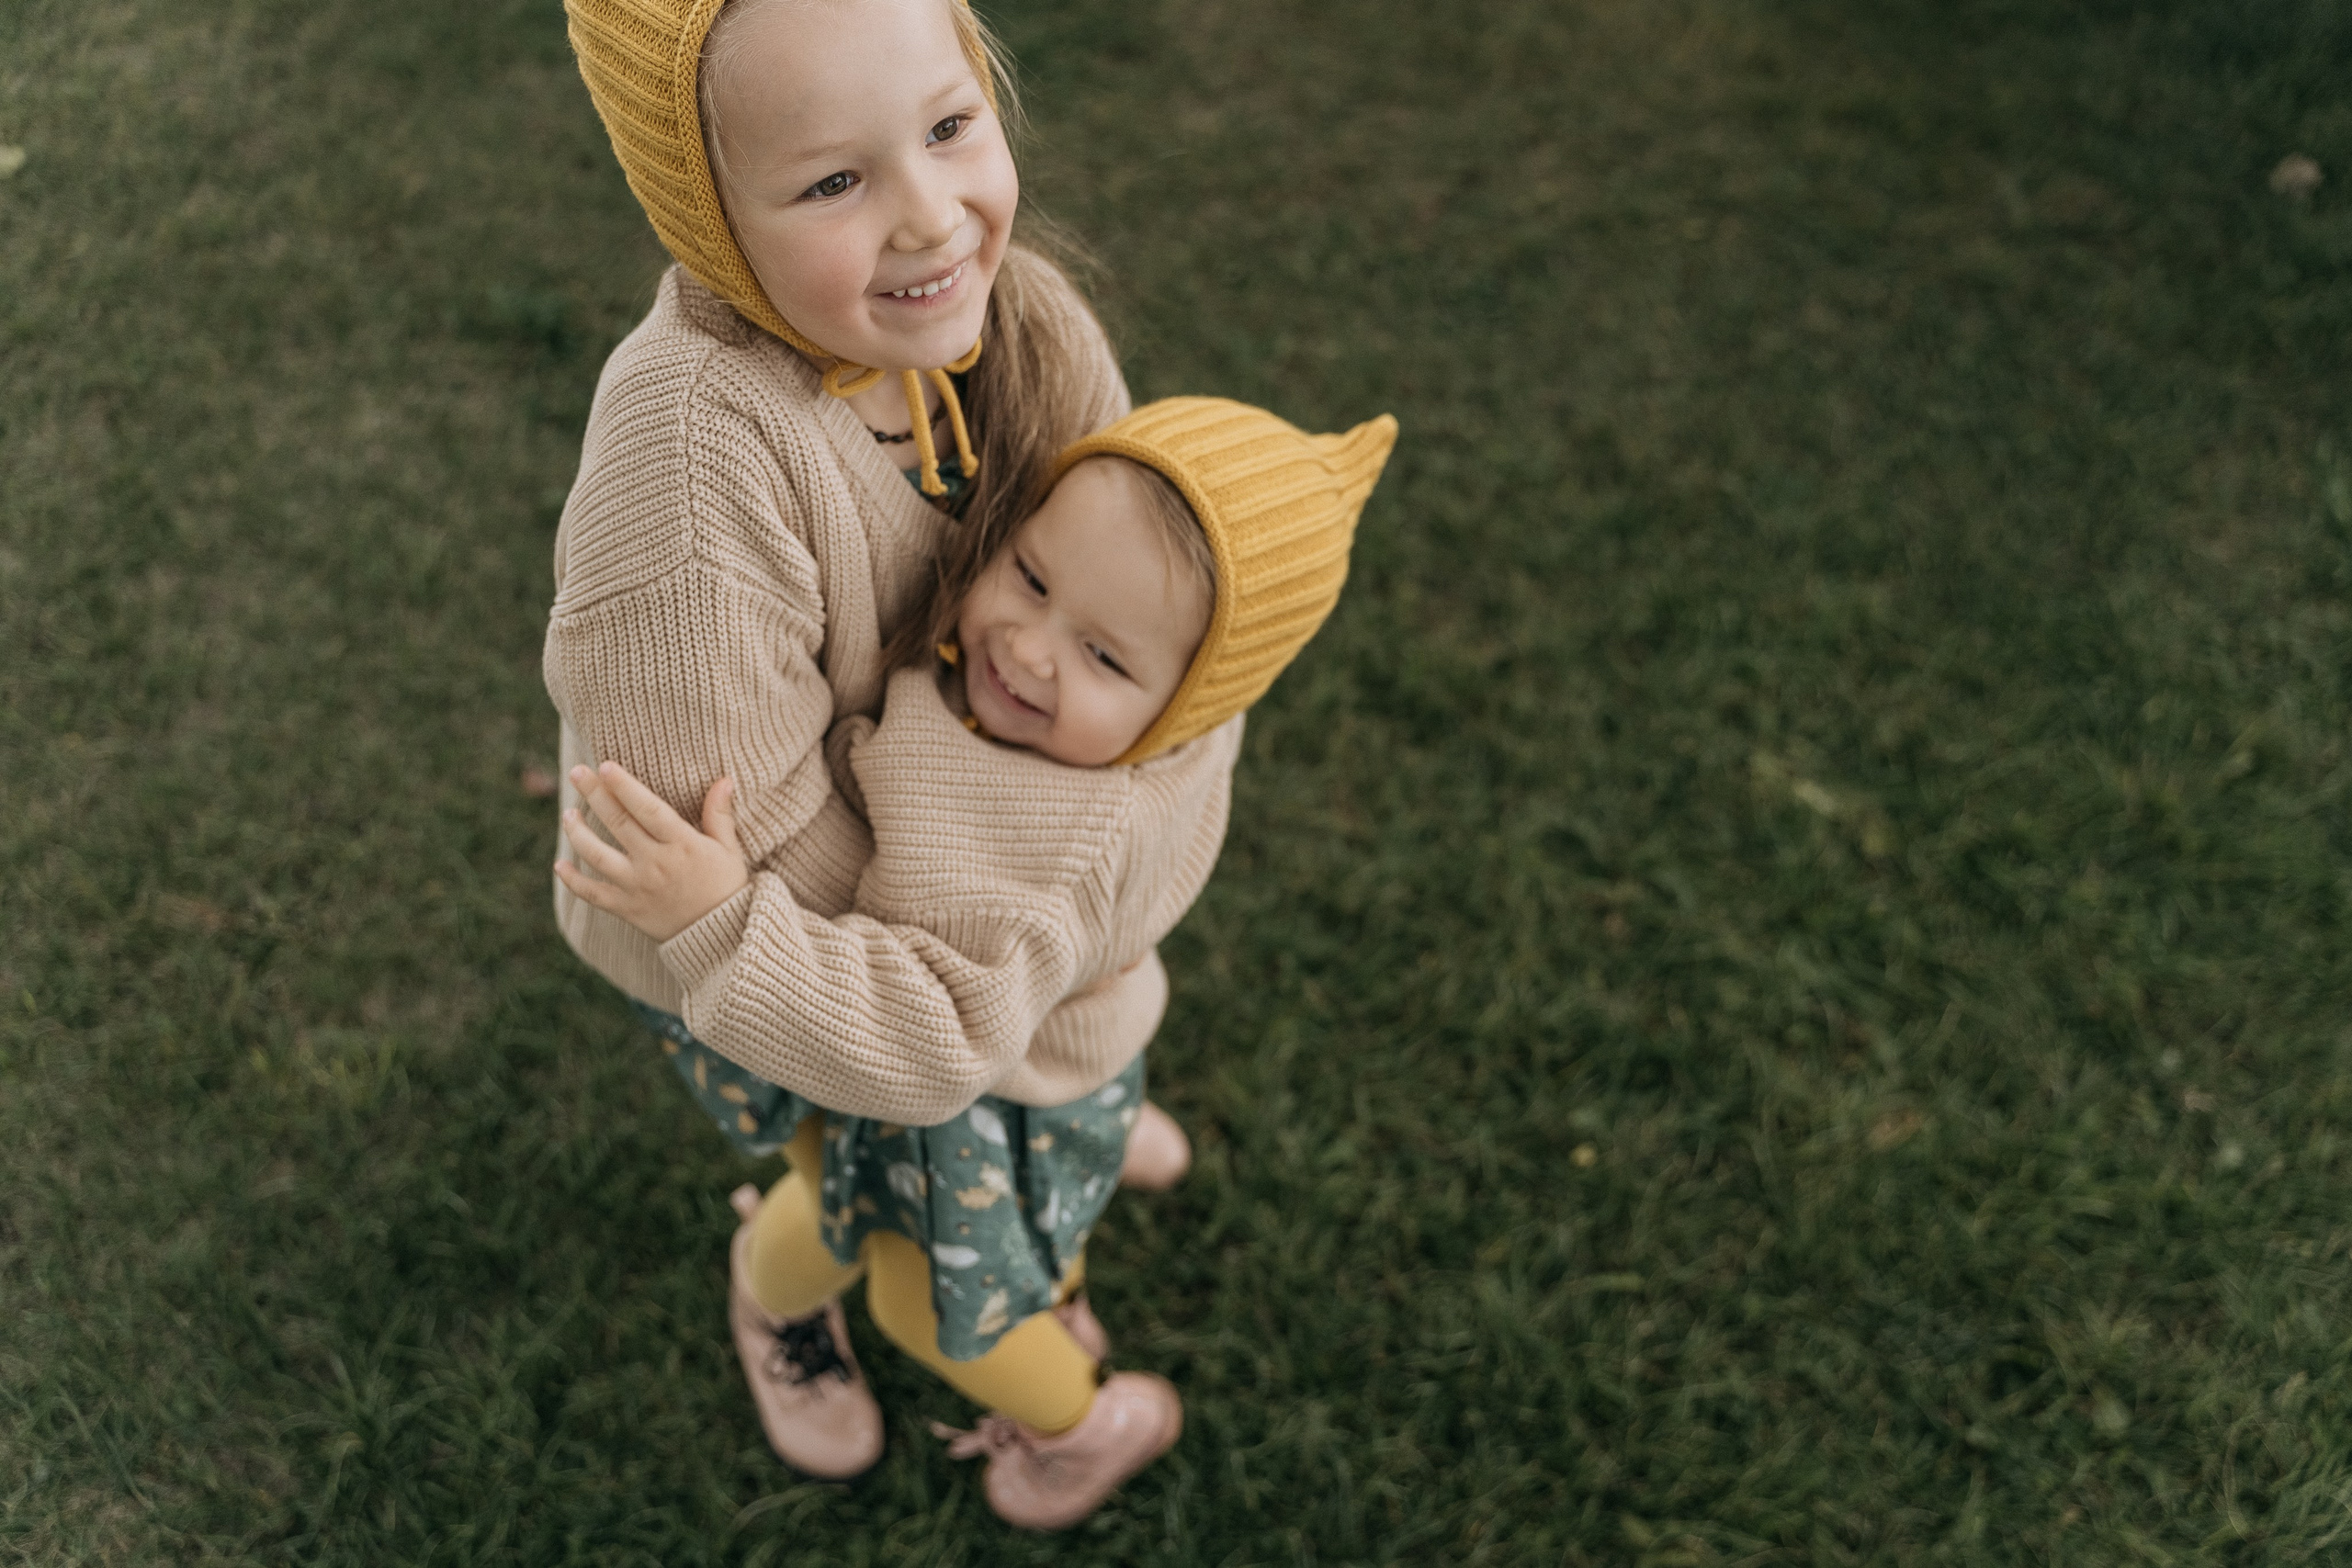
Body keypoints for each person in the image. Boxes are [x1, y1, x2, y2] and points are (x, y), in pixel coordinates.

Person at [560, 398, 1397, 1527]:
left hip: (968, 1086)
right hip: (1069, 1043)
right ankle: (1042, 1236)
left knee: (919, 1296)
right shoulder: (1148, 732)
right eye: (1034, 577)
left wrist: (720, 920)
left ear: (1189, 702)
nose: (1025, 647)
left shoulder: (1039, 830)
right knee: (941, 1209)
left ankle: (1073, 1418)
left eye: (1101, 654)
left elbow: (926, 1041)